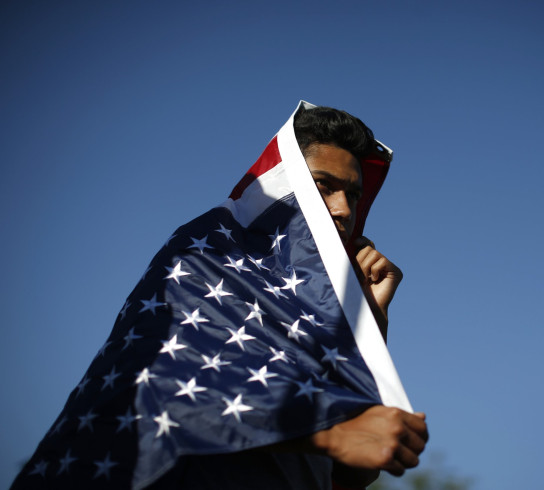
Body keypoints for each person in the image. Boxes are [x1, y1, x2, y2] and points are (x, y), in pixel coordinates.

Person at [12, 103, 427, 490]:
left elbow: (352, 474)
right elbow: (153, 392)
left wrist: (368, 318)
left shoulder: (323, 305)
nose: (343, 210)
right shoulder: (208, 251)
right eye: (324, 186)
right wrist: (330, 431)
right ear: (288, 182)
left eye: (352, 194)